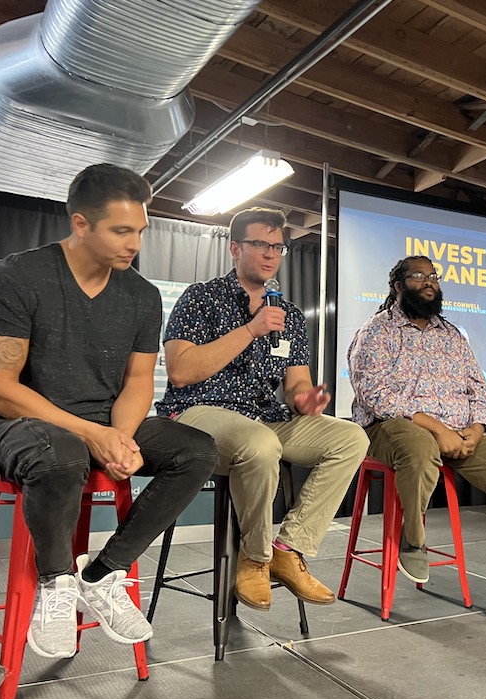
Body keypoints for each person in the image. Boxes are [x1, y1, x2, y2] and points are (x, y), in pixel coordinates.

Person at [0, 164, 218, 659]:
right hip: (15, 425)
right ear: (81, 224)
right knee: (63, 455)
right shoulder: (16, 277)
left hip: (102, 418)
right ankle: (56, 584)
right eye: (121, 231)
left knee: (196, 451)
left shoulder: (141, 295)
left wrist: (120, 436)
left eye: (140, 231)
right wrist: (93, 435)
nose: (134, 244)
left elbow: (139, 381)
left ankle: (103, 574)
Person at [157, 208, 368, 611]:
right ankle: (255, 559)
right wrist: (251, 329)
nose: (270, 254)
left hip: (265, 417)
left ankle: (289, 547)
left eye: (278, 247)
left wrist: (305, 400)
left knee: (350, 437)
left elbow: (296, 383)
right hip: (199, 412)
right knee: (260, 443)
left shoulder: (286, 314)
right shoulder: (201, 298)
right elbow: (182, 372)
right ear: (235, 248)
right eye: (260, 244)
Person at [347, 255, 486, 631]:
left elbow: (478, 388)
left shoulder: (452, 336)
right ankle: (413, 540)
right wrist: (435, 428)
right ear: (398, 286)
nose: (429, 282)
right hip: (391, 429)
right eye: (419, 276)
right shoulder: (376, 332)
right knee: (420, 445)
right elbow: (375, 394)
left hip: (458, 432)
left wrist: (477, 427)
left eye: (434, 276)